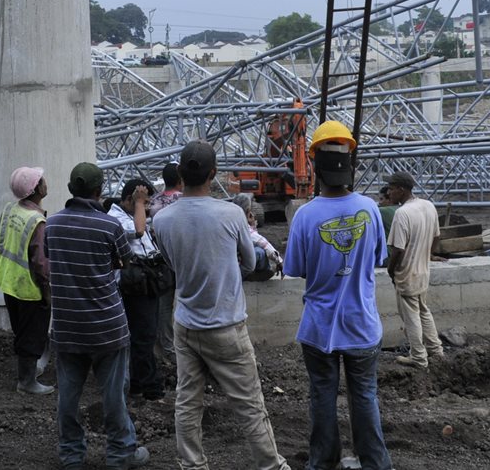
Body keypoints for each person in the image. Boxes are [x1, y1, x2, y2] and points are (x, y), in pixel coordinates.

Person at [152, 141, 290, 470]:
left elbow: (171, 264)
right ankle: (273, 466)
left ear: (180, 175)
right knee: (250, 406)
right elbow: (248, 260)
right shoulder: (230, 213)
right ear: (213, 174)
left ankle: (192, 465)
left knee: (187, 401)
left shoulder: (162, 219)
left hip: (186, 323)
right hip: (226, 325)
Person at [286, 122, 391, 470]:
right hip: (362, 324)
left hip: (318, 327)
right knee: (364, 396)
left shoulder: (305, 216)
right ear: (350, 164)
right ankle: (376, 463)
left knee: (322, 396)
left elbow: (296, 268)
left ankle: (322, 462)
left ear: (314, 165)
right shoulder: (371, 210)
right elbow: (378, 259)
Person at [46, 162, 149, 469]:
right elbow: (126, 259)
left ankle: (71, 455)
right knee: (114, 395)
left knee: (68, 395)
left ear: (70, 190)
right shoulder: (109, 226)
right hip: (107, 327)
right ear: (99, 191)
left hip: (66, 327)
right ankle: (121, 454)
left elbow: (54, 258)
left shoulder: (52, 224)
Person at [0, 165, 54, 394]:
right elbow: (40, 263)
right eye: (42, 180)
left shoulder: (11, 209)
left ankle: (27, 372)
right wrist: (47, 290)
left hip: (9, 281)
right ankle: (27, 381)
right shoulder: (36, 221)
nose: (45, 182)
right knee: (33, 332)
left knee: (21, 330)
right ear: (36, 189)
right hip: (28, 287)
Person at [108, 178, 166, 400]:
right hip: (133, 283)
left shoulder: (133, 214)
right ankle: (147, 386)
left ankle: (138, 382)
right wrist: (140, 203)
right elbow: (139, 231)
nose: (147, 206)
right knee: (142, 335)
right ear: (131, 199)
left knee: (146, 334)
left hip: (146, 281)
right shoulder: (115, 218)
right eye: (143, 201)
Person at [385, 170, 444, 370]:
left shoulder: (402, 214)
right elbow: (436, 236)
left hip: (407, 274)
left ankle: (419, 357)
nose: (389, 193)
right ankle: (436, 350)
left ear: (402, 190)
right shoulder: (428, 205)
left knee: (410, 316)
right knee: (423, 310)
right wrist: (426, 256)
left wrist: (391, 270)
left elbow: (398, 249)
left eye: (392, 189)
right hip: (423, 271)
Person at [149, 162, 183, 369]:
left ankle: (166, 349)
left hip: (160, 263)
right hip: (185, 261)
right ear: (181, 180)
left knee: (164, 308)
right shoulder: (186, 201)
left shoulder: (153, 203)